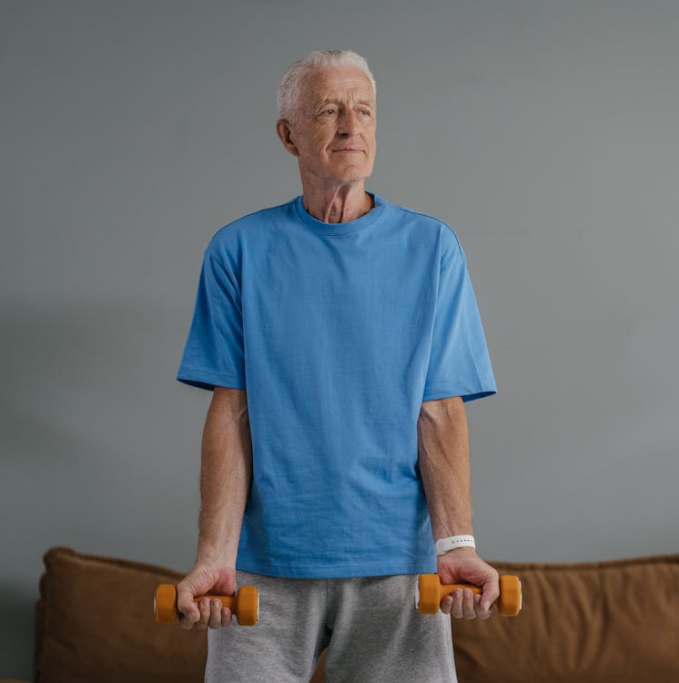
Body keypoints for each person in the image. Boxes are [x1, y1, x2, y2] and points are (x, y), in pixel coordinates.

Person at [173, 49, 498, 683]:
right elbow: (231, 411)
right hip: (265, 567)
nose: (351, 126)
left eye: (364, 110)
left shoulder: (432, 248)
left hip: (396, 567)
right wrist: (216, 554)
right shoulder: (238, 250)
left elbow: (439, 411)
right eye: (328, 110)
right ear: (288, 134)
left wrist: (456, 546)